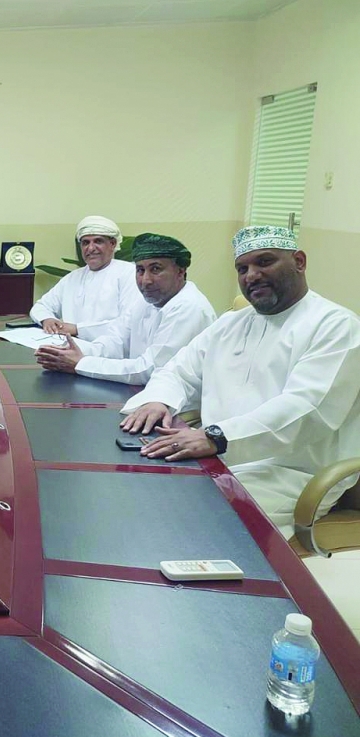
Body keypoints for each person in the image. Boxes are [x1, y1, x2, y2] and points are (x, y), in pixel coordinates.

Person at [120, 226, 360, 537]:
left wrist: (217, 437)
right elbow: (178, 369)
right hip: (213, 454)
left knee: (186, 521)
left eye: (265, 262)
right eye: (242, 268)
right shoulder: (231, 323)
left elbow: (305, 409)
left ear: (299, 261)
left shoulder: (335, 326)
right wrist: (159, 400)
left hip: (288, 474)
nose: (252, 275)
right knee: (140, 489)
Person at [35, 233, 216, 385]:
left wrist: (81, 363)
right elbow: (116, 341)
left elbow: (149, 370)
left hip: (176, 410)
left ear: (180, 271)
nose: (146, 280)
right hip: (139, 392)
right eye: (140, 270)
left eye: (156, 269)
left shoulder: (188, 307)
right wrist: (65, 354)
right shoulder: (147, 300)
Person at [29, 216, 142, 341]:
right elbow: (42, 306)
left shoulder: (129, 274)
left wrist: (77, 329)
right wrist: (47, 319)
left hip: (111, 353)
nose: (91, 248)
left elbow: (127, 322)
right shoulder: (73, 277)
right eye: (85, 243)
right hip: (69, 347)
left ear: (112, 244)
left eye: (98, 241)